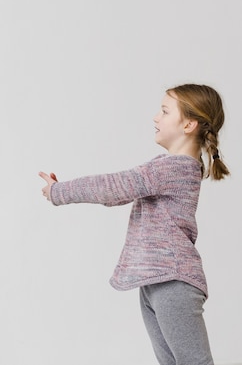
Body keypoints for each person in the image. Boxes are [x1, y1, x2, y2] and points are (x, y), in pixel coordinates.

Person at [39, 84, 229, 365]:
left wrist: (59, 191)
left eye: (165, 111)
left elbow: (113, 187)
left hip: (172, 281)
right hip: (156, 282)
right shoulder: (178, 167)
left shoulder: (172, 168)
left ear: (189, 124)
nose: (155, 117)